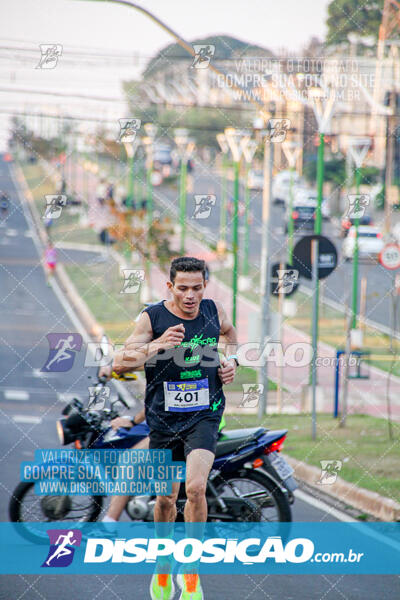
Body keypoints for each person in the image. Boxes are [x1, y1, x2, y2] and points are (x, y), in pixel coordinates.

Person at [113, 256, 238, 600]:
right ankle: (163, 563)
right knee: (166, 497)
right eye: (182, 288)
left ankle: (192, 570)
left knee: (195, 488)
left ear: (204, 287)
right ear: (170, 287)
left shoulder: (214, 311)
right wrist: (157, 345)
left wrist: (232, 362)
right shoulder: (152, 317)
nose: (190, 295)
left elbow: (231, 336)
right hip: (163, 421)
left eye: (196, 288)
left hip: (205, 415)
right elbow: (119, 363)